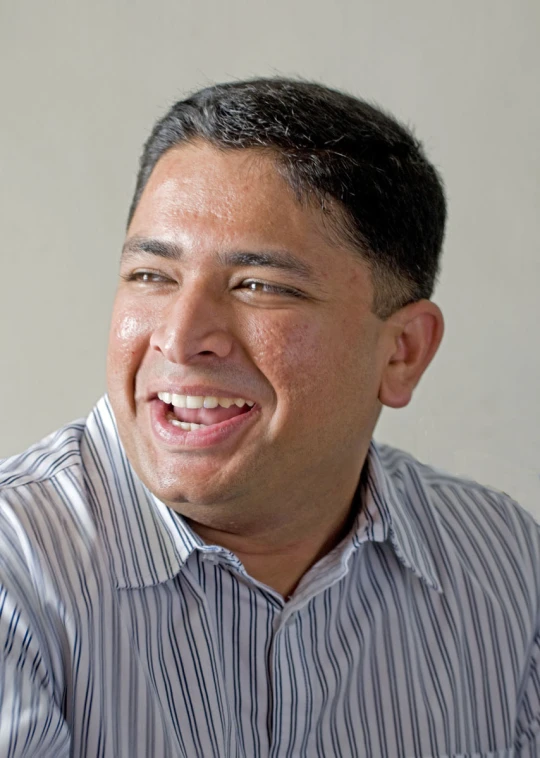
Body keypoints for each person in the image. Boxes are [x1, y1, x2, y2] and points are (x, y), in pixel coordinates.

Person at [0, 78, 538, 758]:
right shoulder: (14, 580)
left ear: (401, 353)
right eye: (152, 276)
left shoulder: (505, 567)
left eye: (259, 286)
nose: (181, 335)